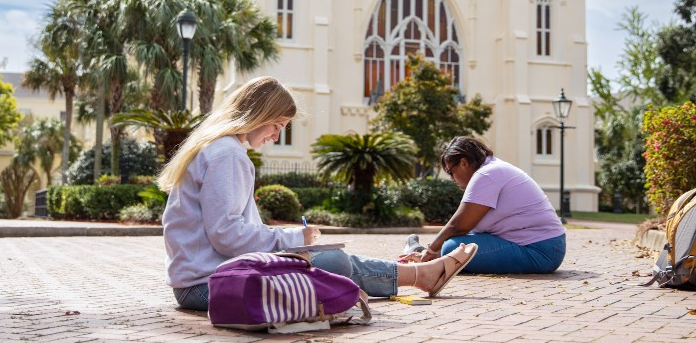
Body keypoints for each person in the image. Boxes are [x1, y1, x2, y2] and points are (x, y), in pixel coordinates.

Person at [160, 76, 477, 310]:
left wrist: (291, 245)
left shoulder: (220, 149)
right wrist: (292, 238)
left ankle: (421, 274)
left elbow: (225, 234)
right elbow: (226, 236)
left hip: (203, 281)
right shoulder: (228, 155)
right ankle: (420, 275)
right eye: (277, 125)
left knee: (330, 260)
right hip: (207, 286)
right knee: (334, 262)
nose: (276, 136)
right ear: (257, 115)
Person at [400, 136, 566, 274]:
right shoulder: (492, 168)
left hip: (540, 251)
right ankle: (420, 253)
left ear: (464, 163)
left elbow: (459, 226)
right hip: (544, 247)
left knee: (452, 248)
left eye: (451, 171)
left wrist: (432, 250)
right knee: (455, 246)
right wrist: (434, 248)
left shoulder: (487, 174)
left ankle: (422, 255)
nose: (452, 178)